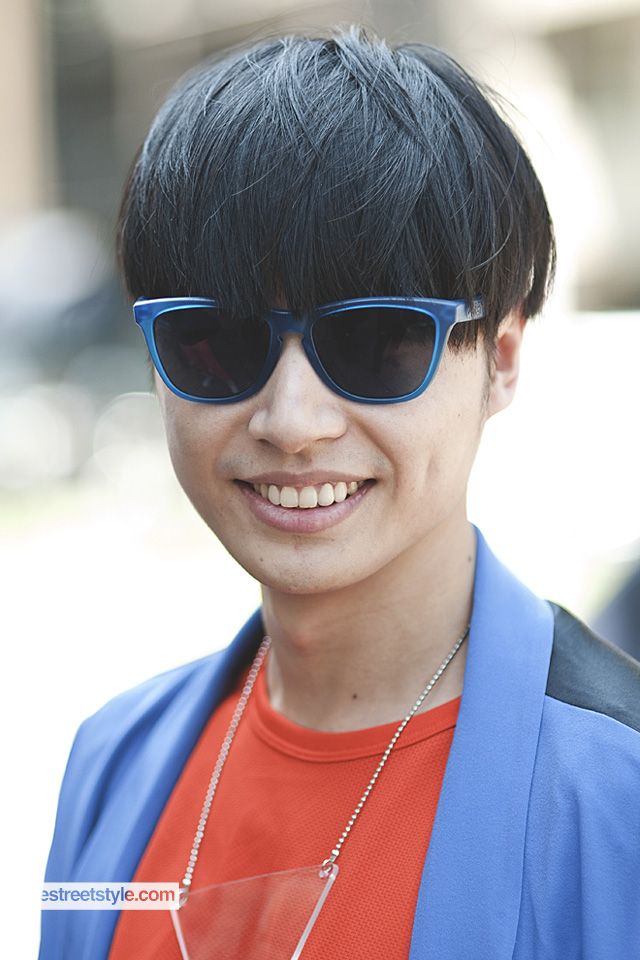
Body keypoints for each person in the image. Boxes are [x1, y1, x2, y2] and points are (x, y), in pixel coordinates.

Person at [39, 24, 640, 960]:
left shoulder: (616, 801)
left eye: (376, 343)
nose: (292, 420)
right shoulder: (111, 764)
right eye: (215, 341)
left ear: (501, 359)